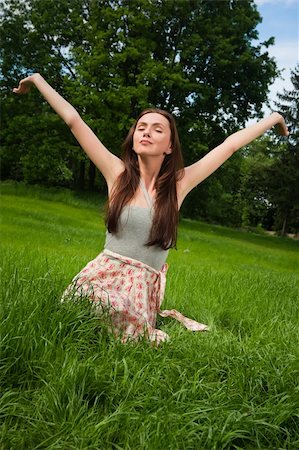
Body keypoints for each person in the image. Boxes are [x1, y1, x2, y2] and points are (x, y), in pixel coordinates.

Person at [13, 73, 289, 344]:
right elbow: (74, 120)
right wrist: (37, 80)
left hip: (140, 288)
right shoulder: (117, 173)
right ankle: (114, 323)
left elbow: (229, 146)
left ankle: (127, 325)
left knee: (119, 312)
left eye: (157, 129)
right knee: (96, 301)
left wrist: (274, 118)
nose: (146, 131)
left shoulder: (179, 184)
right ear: (133, 138)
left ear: (169, 146)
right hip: (102, 276)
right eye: (141, 127)